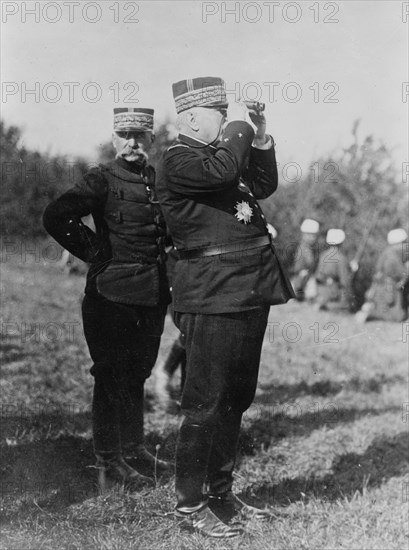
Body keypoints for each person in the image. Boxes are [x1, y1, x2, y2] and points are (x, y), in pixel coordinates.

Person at [156, 76, 295, 538]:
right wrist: (238, 124)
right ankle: (189, 505)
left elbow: (262, 183)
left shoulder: (219, 156)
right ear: (193, 117)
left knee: (236, 397)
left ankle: (220, 493)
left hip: (247, 288)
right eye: (220, 112)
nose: (226, 121)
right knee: (206, 402)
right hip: (212, 293)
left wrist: (258, 131)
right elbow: (221, 174)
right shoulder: (179, 159)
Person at [43, 107, 172, 492]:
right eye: (124, 135)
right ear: (114, 138)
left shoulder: (155, 179)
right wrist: (97, 252)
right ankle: (107, 461)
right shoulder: (101, 178)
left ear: (151, 140)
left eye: (139, 136)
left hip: (151, 295)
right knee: (110, 375)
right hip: (111, 295)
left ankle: (133, 449)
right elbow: (56, 216)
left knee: (138, 373)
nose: (132, 143)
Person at [355, 228, 409, 323]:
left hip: (383, 290)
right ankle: (369, 314)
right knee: (398, 317)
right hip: (389, 291)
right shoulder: (393, 255)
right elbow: (402, 273)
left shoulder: (387, 252)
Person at [314, 229, 351, 311]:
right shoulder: (341, 258)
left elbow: (317, 275)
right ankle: (327, 306)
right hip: (332, 292)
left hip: (320, 290)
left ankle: (321, 302)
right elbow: (344, 282)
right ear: (341, 243)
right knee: (346, 305)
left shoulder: (323, 255)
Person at [291, 218, 320, 301]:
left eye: (314, 235)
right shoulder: (303, 248)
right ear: (304, 235)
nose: (312, 238)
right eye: (309, 235)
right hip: (301, 279)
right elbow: (299, 268)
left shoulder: (310, 248)